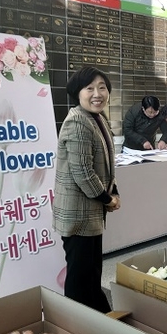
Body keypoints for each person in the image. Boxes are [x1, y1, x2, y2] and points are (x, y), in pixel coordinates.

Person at [52, 66, 121, 313]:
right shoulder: (78, 122)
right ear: (77, 93)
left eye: (102, 87)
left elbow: (104, 163)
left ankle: (99, 316)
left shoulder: (96, 118)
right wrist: (107, 198)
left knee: (92, 271)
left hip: (90, 213)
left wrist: (114, 191)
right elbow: (83, 172)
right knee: (80, 277)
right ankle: (76, 321)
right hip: (78, 214)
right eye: (89, 88)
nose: (97, 94)